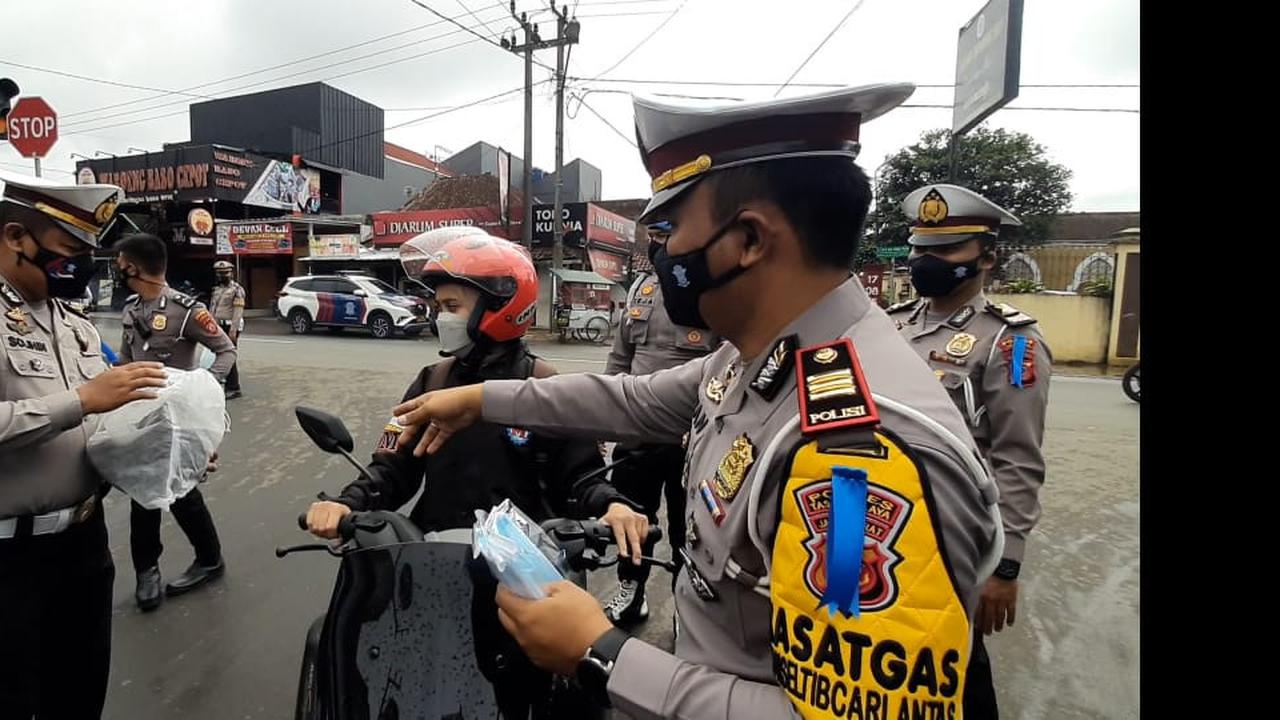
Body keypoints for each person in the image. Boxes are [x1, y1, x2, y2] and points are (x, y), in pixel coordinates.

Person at [390, 86, 1004, 719]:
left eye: (672, 229)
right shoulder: (765, 353)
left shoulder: (852, 458)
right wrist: (479, 399)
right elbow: (633, 401)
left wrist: (600, 653)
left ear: (748, 240)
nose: (663, 253)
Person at [304, 229, 649, 720]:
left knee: (577, 687)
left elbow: (584, 477)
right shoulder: (430, 382)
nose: (439, 316)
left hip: (527, 575)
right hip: (433, 567)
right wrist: (347, 504)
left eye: (451, 305)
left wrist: (612, 505)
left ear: (501, 309)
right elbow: (391, 468)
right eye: (439, 305)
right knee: (350, 645)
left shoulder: (548, 390)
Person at [0, 171, 167, 718]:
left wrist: (158, 449)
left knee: (78, 695)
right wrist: (81, 400)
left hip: (84, 548)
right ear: (16, 237)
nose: (86, 263)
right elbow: (86, 403)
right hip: (9, 561)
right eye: (71, 248)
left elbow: (100, 423)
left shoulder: (75, 324)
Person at [889, 183, 1054, 720]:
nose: (924, 261)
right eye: (919, 248)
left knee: (954, 671)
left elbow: (1018, 459)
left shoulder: (1010, 342)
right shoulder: (891, 325)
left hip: (953, 540)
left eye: (944, 250)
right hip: (884, 530)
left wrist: (1005, 567)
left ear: (986, 256)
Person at [117, 233, 235, 611]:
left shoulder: (187, 310)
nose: (118, 269)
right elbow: (125, 360)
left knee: (182, 490)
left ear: (132, 267)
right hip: (142, 414)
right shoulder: (131, 308)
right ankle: (146, 570)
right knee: (143, 490)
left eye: (120, 263)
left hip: (179, 421)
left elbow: (225, 350)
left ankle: (210, 558)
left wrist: (201, 392)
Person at [599, 265, 719, 626]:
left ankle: (687, 610)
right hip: (637, 436)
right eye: (653, 236)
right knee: (632, 520)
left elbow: (728, 368)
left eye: (666, 235)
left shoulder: (709, 286)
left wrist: (707, 426)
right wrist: (604, 417)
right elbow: (621, 359)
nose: (660, 246)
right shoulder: (642, 286)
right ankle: (631, 592)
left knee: (691, 530)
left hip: (691, 438)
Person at [209, 259, 246, 399]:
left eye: (225, 273)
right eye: (220, 273)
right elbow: (213, 308)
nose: (222, 276)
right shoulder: (216, 290)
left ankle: (234, 388)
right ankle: (227, 384)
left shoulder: (237, 290)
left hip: (230, 326)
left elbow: (238, 311)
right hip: (218, 325)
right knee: (220, 355)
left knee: (228, 356)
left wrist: (233, 330)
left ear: (231, 274)